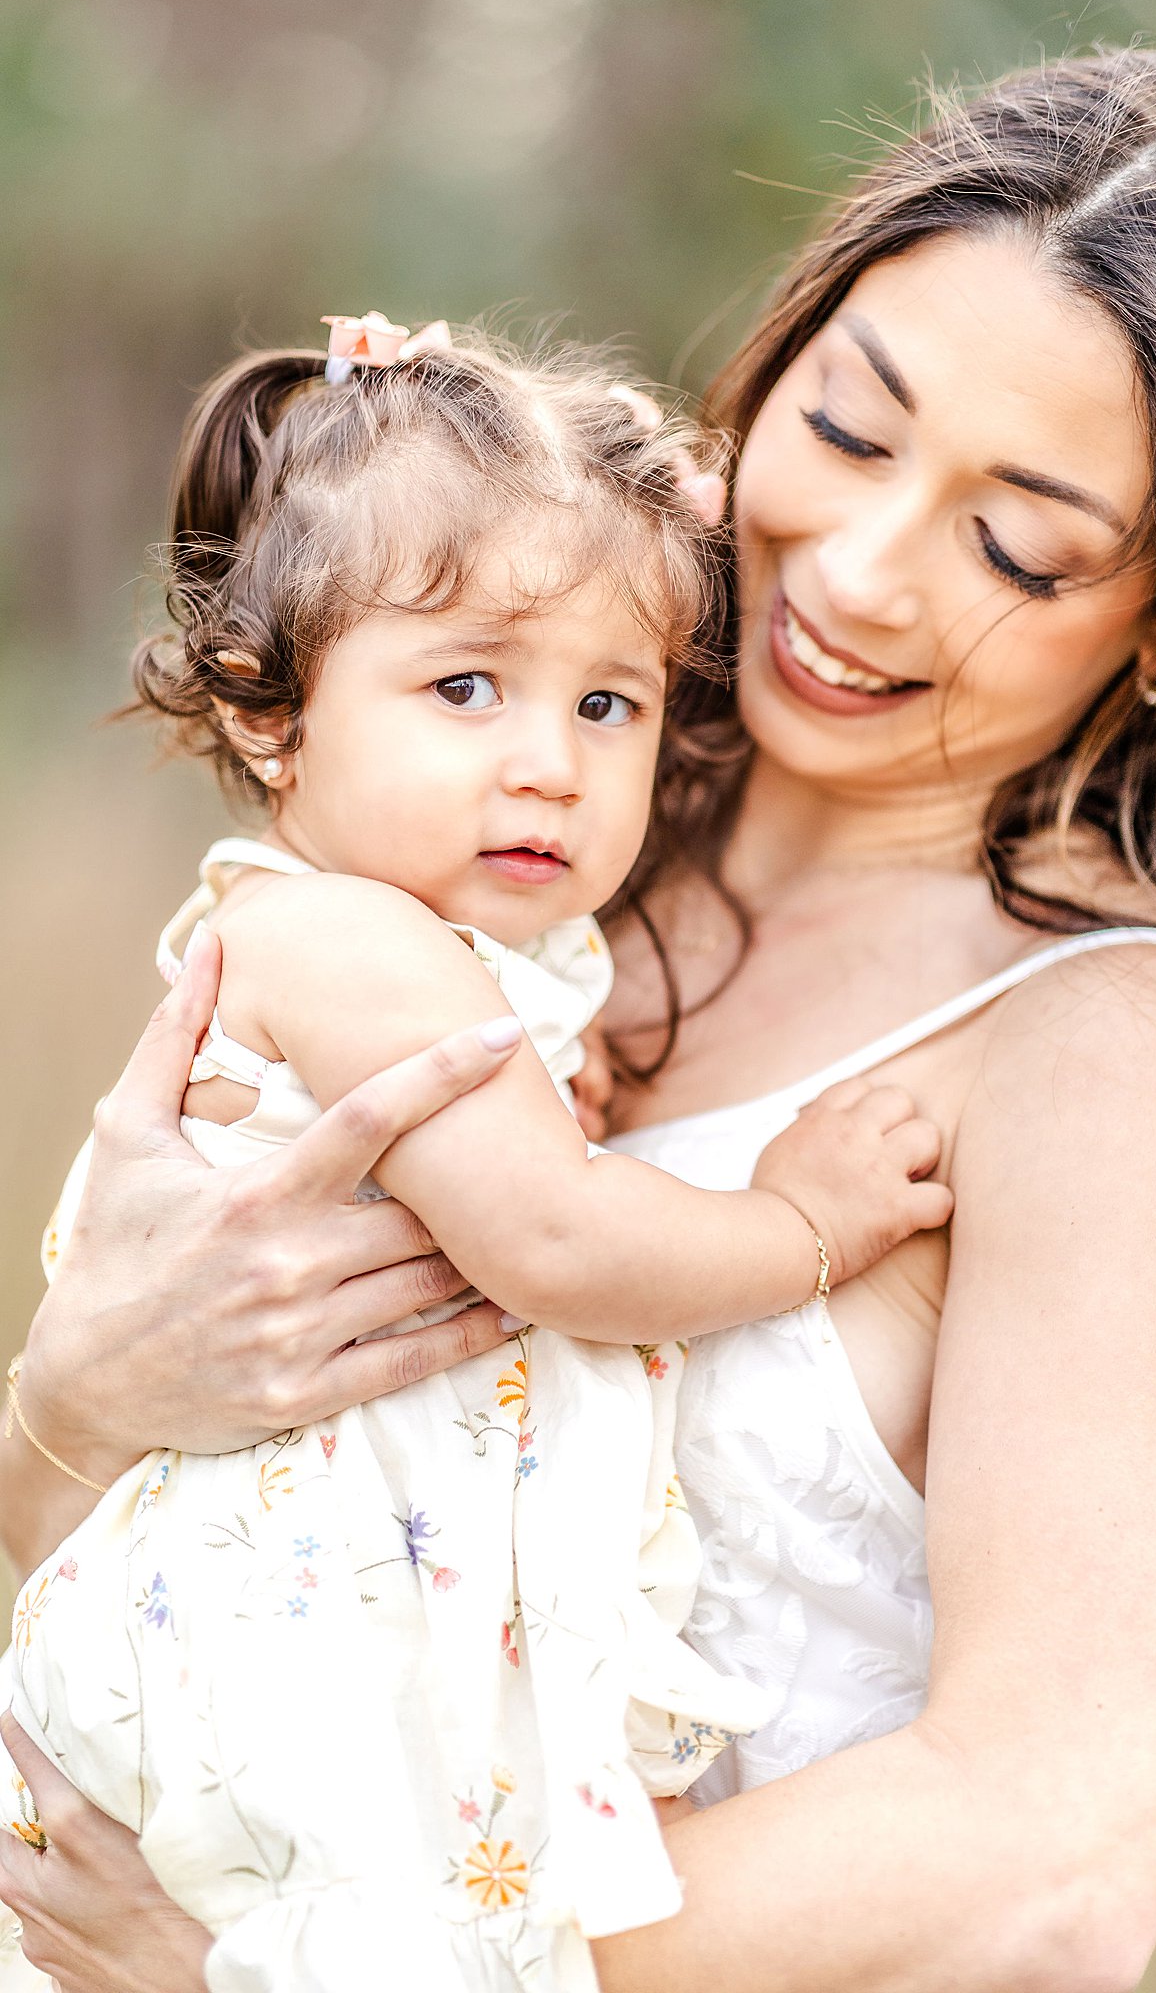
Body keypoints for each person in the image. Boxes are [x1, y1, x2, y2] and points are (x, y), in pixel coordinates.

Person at [3, 45, 1156, 1993]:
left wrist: (310, 1962)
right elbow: (136, 1503)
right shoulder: (526, 842)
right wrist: (72, 1402)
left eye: (1017, 544)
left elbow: (1043, 1849)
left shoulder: (1099, 1052)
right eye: (852, 426)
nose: (863, 572)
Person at [0, 321, 950, 1992]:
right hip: (247, 1665)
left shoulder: (458, 948)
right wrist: (801, 1222)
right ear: (273, 718)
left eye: (608, 699)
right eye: (463, 687)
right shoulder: (342, 946)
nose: (547, 759)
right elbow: (561, 1247)